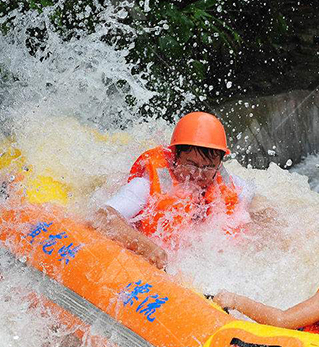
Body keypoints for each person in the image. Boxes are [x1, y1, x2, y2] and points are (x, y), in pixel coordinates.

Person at [91, 112, 257, 269]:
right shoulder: (145, 185)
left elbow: (257, 202)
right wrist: (146, 247)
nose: (198, 174)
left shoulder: (225, 183)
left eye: (207, 167)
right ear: (175, 157)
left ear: (219, 164)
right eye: (191, 164)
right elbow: (102, 216)